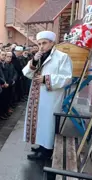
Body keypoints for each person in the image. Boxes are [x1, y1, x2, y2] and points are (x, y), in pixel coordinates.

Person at [23, 31, 73, 160]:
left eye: (44, 43)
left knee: (47, 123)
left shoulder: (62, 57)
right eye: (39, 43)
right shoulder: (39, 56)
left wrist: (46, 79)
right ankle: (41, 146)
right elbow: (26, 73)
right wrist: (34, 61)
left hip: (51, 97)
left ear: (52, 43)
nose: (41, 46)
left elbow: (67, 78)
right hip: (37, 95)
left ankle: (47, 151)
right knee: (39, 122)